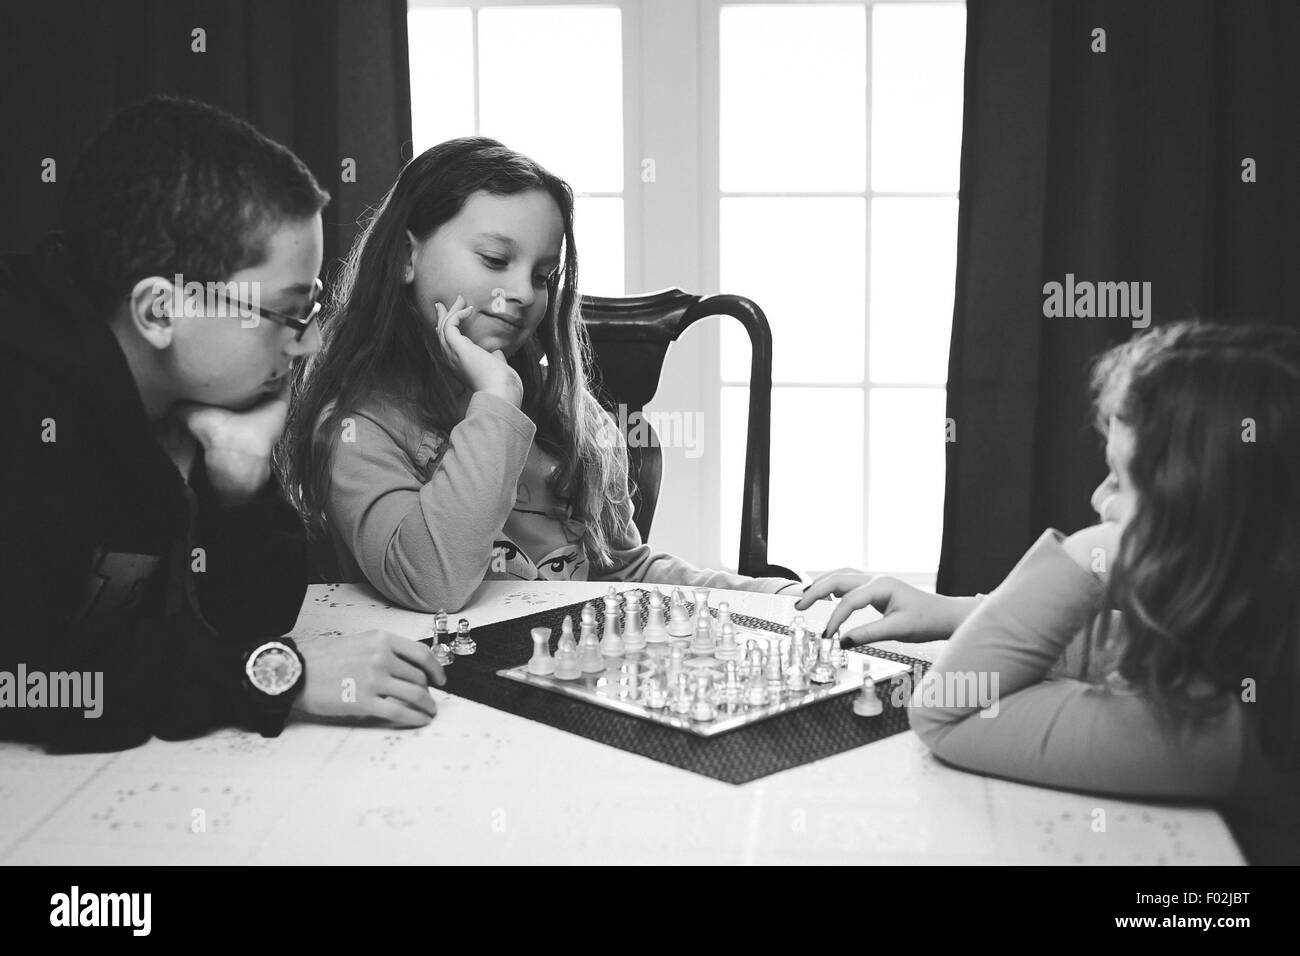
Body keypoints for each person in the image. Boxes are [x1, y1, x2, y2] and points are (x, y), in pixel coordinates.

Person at [1, 96, 445, 752]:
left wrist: (239, 496)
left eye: (314, 305)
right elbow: (43, 684)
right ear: (160, 311)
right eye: (289, 312)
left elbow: (245, 619)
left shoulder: (186, 392)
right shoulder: (29, 404)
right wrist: (277, 677)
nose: (310, 343)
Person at [798, 321, 1300, 864]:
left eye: (1119, 480)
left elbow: (950, 710)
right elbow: (1115, 646)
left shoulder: (1220, 730)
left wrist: (1088, 552)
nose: (1097, 497)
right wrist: (963, 613)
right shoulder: (1260, 646)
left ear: (1195, 517)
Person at [282, 136, 804, 613]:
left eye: (543, 275)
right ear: (405, 257)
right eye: (493, 259)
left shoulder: (565, 413)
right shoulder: (356, 426)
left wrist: (784, 596)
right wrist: (496, 400)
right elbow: (434, 582)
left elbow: (625, 573)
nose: (526, 294)